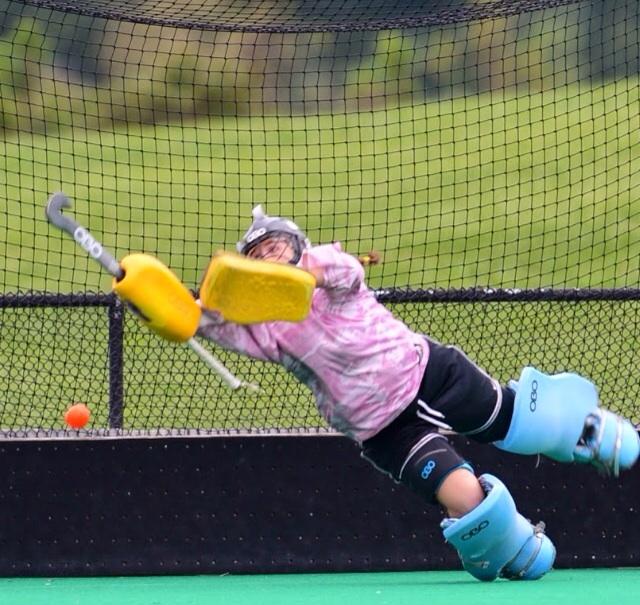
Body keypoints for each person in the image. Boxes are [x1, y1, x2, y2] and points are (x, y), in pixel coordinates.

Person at [197, 205, 640, 582]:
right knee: (464, 499)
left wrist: (295, 270)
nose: (267, 257)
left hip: (429, 374)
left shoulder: (332, 276)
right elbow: (206, 322)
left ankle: (583, 430)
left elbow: (340, 267)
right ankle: (515, 547)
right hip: (382, 431)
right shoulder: (266, 331)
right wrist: (159, 303)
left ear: (298, 247)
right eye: (256, 257)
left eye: (275, 247)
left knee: (512, 420)